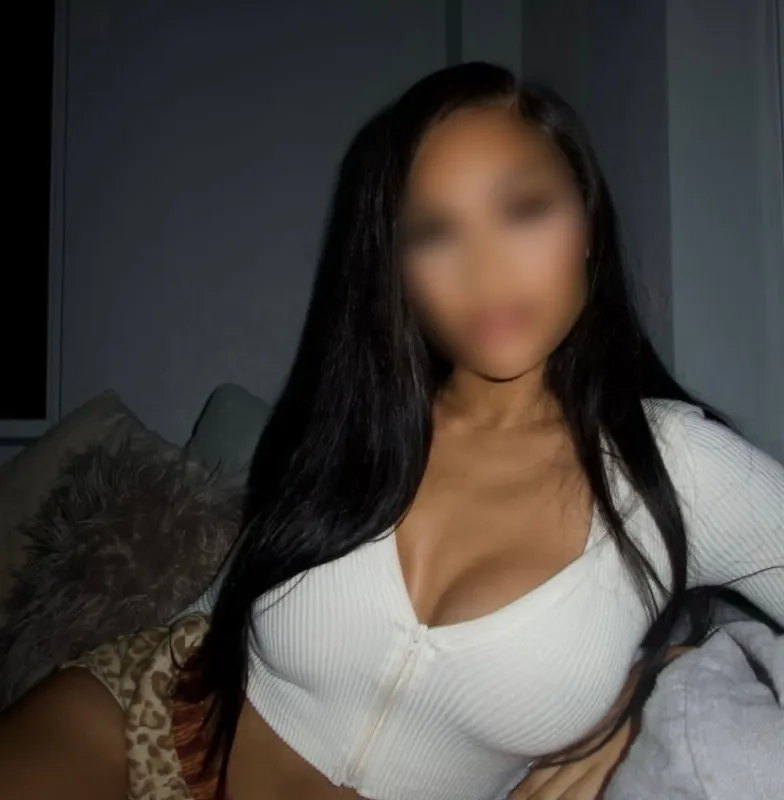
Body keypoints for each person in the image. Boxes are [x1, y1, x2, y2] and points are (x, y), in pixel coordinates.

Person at [0, 62, 782, 800]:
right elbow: (230, 594)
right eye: (435, 231)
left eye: (523, 209)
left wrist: (672, 682)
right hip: (150, 727)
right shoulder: (361, 417)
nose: (484, 270)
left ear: (588, 223)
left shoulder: (678, 467)